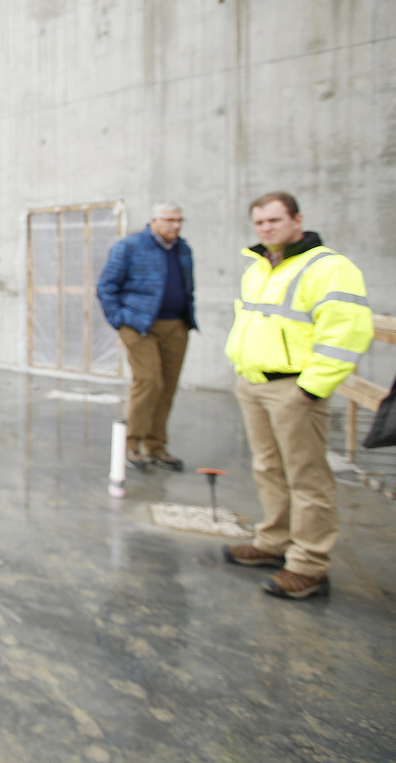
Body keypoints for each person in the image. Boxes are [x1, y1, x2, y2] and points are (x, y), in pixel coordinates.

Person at [222, 192, 372, 600]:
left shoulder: (329, 268)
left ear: (297, 220)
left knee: (307, 476)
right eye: (260, 223)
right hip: (254, 383)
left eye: (274, 220)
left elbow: (346, 333)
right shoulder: (258, 267)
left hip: (294, 388)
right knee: (268, 467)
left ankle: (309, 564)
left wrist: (311, 388)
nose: (266, 228)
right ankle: (274, 541)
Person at [96, 203, 197, 472]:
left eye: (180, 220)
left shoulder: (183, 249)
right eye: (170, 220)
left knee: (167, 386)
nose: (176, 225)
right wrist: (119, 320)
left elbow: (187, 286)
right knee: (149, 381)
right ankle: (131, 444)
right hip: (139, 326)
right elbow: (106, 286)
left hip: (175, 326)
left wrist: (186, 318)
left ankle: (156, 446)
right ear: (154, 221)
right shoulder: (129, 247)